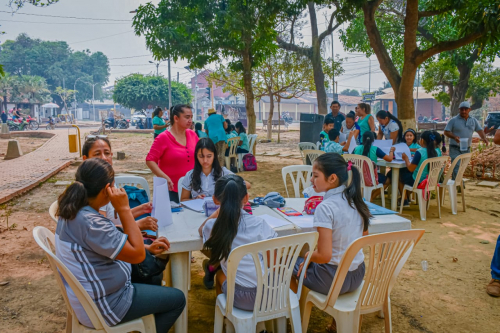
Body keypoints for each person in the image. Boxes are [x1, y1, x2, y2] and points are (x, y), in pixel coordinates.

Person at [55, 159, 185, 331]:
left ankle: (148, 324)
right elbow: (137, 255)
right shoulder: (92, 224)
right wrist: (124, 210)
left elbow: (107, 239)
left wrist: (147, 247)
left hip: (97, 292)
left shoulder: (75, 210)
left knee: (153, 276)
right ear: (106, 190)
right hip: (106, 304)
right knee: (177, 299)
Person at [290, 153, 369, 303]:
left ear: (332, 178)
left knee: (285, 262)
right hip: (357, 275)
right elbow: (364, 236)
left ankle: (295, 311)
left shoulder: (325, 208)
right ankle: (336, 317)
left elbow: (325, 256)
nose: (311, 180)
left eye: (315, 176)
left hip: (332, 279)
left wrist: (308, 256)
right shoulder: (356, 202)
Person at [199, 174, 277, 310]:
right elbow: (271, 262)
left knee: (219, 275)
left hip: (240, 298)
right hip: (270, 295)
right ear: (246, 198)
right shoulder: (260, 224)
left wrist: (219, 211)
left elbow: (201, 230)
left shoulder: (212, 226)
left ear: (215, 200)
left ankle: (226, 319)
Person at [146, 104, 198, 203]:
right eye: (187, 117)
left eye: (191, 117)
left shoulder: (193, 135)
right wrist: (163, 176)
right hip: (170, 190)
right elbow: (150, 160)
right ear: (176, 118)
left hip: (192, 189)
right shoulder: (163, 138)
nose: (190, 120)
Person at [181, 138, 252, 202]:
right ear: (196, 156)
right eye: (201, 156)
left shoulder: (223, 173)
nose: (205, 160)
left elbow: (247, 185)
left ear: (214, 155)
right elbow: (183, 200)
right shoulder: (190, 175)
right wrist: (195, 200)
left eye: (209, 156)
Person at [444, 101, 488, 179]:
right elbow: (446, 132)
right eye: (462, 109)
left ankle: (457, 183)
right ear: (459, 110)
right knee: (456, 166)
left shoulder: (473, 120)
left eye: (465, 109)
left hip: (466, 148)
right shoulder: (453, 120)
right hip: (455, 147)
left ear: (469, 110)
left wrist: (484, 138)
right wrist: (454, 137)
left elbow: (479, 130)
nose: (463, 111)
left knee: (462, 167)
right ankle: (457, 185)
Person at [400, 131, 438, 206]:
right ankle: (406, 198)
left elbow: (411, 168)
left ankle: (404, 199)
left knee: (400, 177)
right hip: (430, 180)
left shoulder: (419, 152)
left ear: (422, 140)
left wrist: (406, 159)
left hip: (418, 181)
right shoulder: (435, 152)